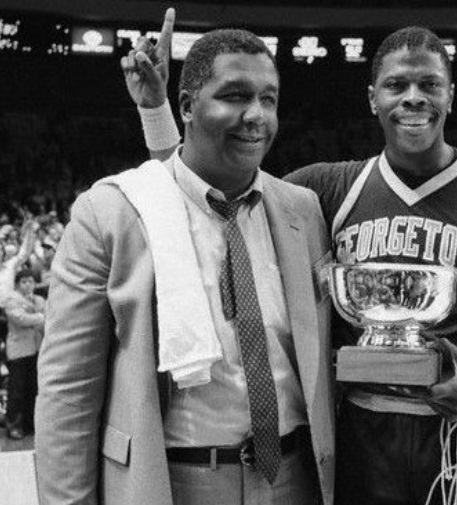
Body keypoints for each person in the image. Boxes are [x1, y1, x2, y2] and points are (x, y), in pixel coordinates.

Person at [129, 13, 457, 504]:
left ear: (450, 93)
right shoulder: (324, 189)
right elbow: (201, 195)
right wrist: (156, 110)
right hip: (358, 439)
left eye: (430, 84)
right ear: (372, 98)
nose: (413, 98)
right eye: (396, 85)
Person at [36, 14, 335, 505]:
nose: (256, 114)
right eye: (235, 96)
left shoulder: (301, 209)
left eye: (268, 98)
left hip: (297, 478)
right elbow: (68, 396)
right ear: (187, 105)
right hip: (174, 482)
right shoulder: (112, 213)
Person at [4, 268, 45, 440]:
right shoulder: (11, 299)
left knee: (33, 389)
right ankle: (13, 424)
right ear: (17, 284)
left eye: (31, 281)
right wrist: (39, 317)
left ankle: (29, 423)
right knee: (16, 391)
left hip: (36, 349)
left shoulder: (39, 299)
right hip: (18, 352)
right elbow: (21, 319)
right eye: (24, 281)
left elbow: (48, 314)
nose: (28, 285)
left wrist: (37, 315)